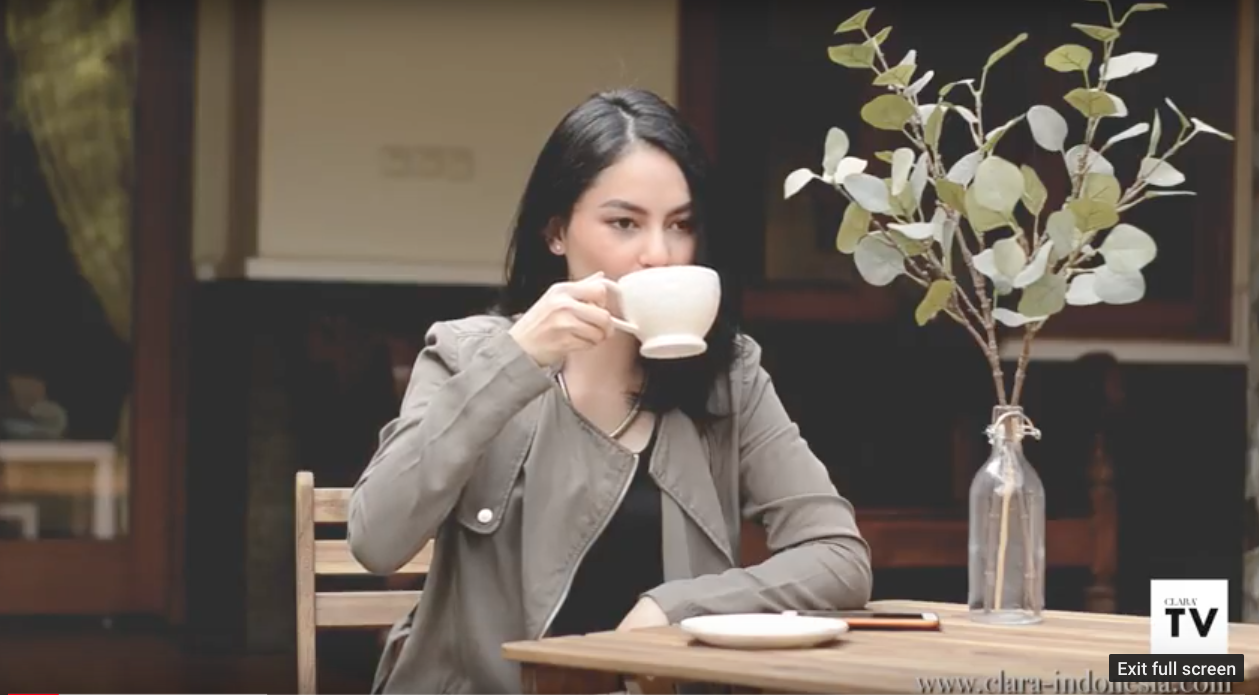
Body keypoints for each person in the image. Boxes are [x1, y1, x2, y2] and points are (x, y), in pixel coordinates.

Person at [347, 88, 872, 694]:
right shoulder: (469, 355)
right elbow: (376, 541)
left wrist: (676, 607)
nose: (659, 254)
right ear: (556, 232)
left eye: (680, 225)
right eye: (624, 223)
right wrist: (517, 360)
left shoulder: (730, 377)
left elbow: (837, 555)